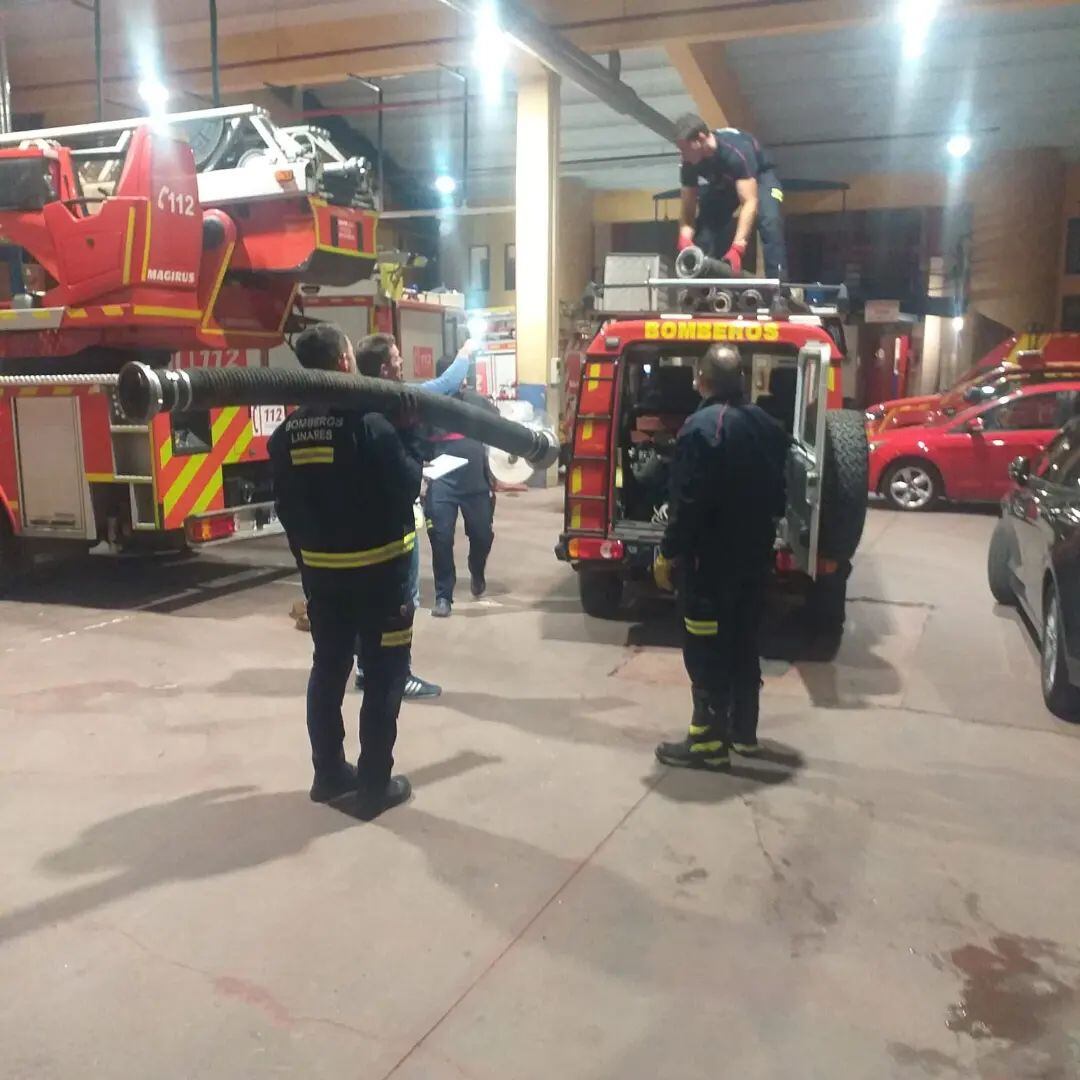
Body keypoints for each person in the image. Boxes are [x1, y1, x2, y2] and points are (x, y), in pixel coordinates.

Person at [269, 323, 418, 818]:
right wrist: (409, 430)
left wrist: (309, 568)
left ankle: (328, 773)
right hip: (381, 579)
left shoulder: (285, 435)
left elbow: (288, 511)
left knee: (329, 671)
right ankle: (374, 786)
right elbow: (408, 485)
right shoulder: (371, 425)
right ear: (341, 365)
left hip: (324, 580)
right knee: (383, 678)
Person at [653, 345, 790, 771]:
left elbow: (688, 503)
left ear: (702, 380)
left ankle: (707, 745)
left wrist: (668, 552)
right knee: (743, 645)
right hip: (753, 561)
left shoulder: (700, 429)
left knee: (706, 650)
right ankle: (743, 734)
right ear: (744, 382)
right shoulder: (769, 427)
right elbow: (780, 497)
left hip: (708, 568)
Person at [353, 332, 479, 692]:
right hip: (394, 520)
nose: (402, 363)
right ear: (384, 368)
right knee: (403, 599)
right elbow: (447, 384)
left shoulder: (353, 401)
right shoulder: (397, 400)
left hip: (364, 522)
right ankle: (399, 675)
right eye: (396, 359)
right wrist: (467, 352)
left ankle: (365, 668)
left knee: (368, 600)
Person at [424, 354, 498, 617]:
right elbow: (418, 442)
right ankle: (444, 596)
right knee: (441, 539)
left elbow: (499, 430)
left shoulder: (477, 403)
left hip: (475, 482)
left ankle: (476, 569)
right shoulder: (429, 406)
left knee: (482, 535)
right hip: (443, 482)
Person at [675, 112, 788, 279]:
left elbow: (749, 202)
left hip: (759, 177)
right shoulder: (688, 163)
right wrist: (685, 238)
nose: (682, 155)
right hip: (726, 183)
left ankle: (779, 287)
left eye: (685, 149)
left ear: (700, 139)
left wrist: (738, 248)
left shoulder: (736, 150)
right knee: (705, 228)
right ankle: (703, 283)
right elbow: (688, 206)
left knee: (770, 220)